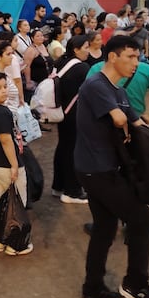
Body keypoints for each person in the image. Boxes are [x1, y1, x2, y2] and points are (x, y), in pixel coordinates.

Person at [74, 35, 149, 298]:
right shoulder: (95, 85)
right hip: (96, 171)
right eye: (131, 57)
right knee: (144, 220)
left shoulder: (118, 91)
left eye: (138, 57)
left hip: (104, 169)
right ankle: (135, 284)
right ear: (112, 57)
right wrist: (126, 123)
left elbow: (138, 126)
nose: (137, 62)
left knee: (105, 229)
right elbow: (121, 120)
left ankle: (92, 290)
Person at [0, 72, 32, 256]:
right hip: (4, 164)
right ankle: (14, 243)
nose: (4, 91)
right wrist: (15, 165)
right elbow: (6, 141)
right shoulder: (2, 112)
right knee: (17, 201)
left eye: (4, 87)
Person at [51, 35, 90, 204]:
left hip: (61, 112)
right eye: (86, 47)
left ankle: (58, 186)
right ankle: (71, 191)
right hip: (74, 114)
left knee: (63, 148)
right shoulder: (82, 68)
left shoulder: (61, 62)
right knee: (73, 151)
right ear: (76, 49)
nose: (88, 51)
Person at [22, 28, 52, 103]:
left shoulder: (43, 47)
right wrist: (28, 81)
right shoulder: (31, 50)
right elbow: (27, 66)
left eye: (41, 36)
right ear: (32, 38)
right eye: (38, 36)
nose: (40, 38)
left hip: (47, 80)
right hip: (36, 81)